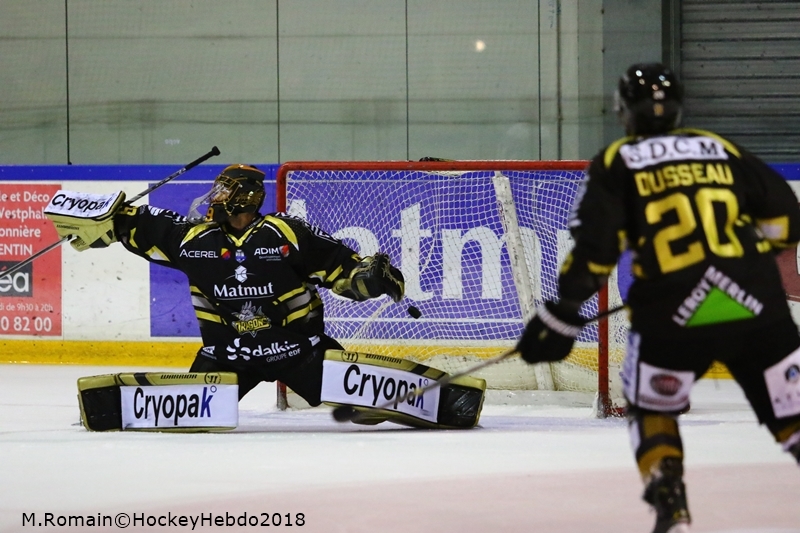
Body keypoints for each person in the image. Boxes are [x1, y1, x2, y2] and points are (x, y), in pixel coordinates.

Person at [515, 63, 800, 533]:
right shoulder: (718, 147)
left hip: (672, 313)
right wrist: (738, 260)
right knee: (791, 412)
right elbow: (786, 218)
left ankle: (671, 503)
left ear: (624, 111)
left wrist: (562, 314)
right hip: (756, 303)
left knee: (652, 406)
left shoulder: (618, 160)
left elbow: (595, 251)